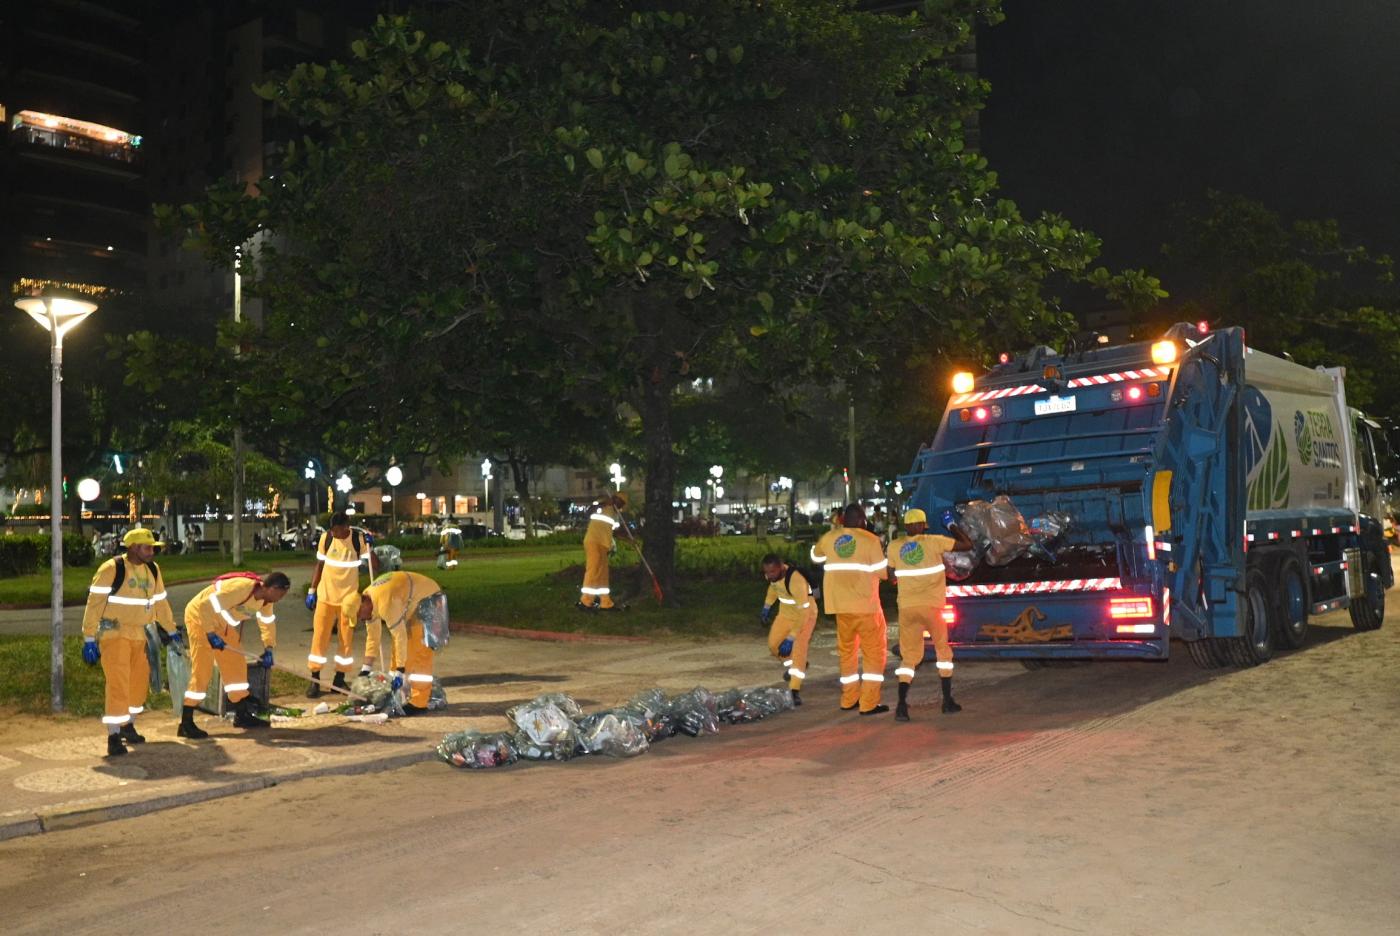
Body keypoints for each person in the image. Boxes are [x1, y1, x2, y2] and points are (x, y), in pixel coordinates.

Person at [80, 528, 179, 757]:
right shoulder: (111, 568)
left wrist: (172, 630)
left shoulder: (153, 570)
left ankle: (127, 725)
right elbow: (94, 604)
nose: (152, 551)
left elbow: (161, 603)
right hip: (114, 635)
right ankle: (113, 736)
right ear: (133, 547)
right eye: (147, 547)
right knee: (118, 684)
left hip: (140, 635)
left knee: (139, 683)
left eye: (153, 548)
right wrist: (89, 638)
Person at [179, 571, 291, 738]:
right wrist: (210, 634)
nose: (280, 599)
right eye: (281, 594)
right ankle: (186, 723)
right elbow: (204, 606)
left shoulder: (266, 601)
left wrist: (268, 648)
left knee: (236, 664)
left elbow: (267, 622)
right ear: (272, 588)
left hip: (220, 624)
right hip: (199, 619)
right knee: (202, 670)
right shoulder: (240, 588)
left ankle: (241, 714)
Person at [887, 508, 974, 721]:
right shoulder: (934, 541)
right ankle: (947, 701)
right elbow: (967, 545)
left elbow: (891, 577)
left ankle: (901, 706)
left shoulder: (894, 546)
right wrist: (951, 524)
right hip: (933, 607)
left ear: (906, 526)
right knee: (943, 652)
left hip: (907, 608)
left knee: (909, 657)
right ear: (923, 525)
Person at [811, 503, 889, 714]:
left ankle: (849, 699)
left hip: (840, 607)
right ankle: (868, 703)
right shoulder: (870, 540)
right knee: (874, 654)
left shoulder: (830, 537)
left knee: (847, 653)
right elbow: (883, 573)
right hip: (866, 607)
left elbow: (815, 557)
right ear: (862, 520)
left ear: (843, 520)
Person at [343, 571, 444, 715]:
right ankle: (400, 696)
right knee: (400, 653)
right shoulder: (368, 599)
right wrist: (366, 668)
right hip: (410, 599)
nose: (361, 619)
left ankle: (419, 702)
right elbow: (373, 637)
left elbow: (400, 636)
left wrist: (400, 670)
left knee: (419, 651)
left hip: (428, 598)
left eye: (359, 615)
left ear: (362, 605)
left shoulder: (386, 603)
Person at [304, 511, 377, 697]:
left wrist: (371, 547)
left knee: (346, 641)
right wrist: (312, 590)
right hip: (325, 597)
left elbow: (374, 566)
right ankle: (315, 680)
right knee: (319, 638)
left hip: (348, 601)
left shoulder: (358, 540)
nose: (334, 533)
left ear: (346, 527)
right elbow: (319, 565)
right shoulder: (326, 539)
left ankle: (339, 680)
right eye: (332, 530)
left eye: (337, 530)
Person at [759, 553, 818, 706]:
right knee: (773, 645)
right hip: (785, 615)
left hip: (805, 616)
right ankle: (795, 666)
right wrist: (766, 606)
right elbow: (774, 589)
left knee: (798, 650)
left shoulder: (796, 580)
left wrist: (791, 637)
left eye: (772, 572)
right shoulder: (772, 575)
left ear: (781, 568)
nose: (769, 575)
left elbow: (804, 613)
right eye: (766, 572)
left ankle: (794, 690)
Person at [578, 493, 626, 611]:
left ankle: (605, 602)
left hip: (604, 545)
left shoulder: (615, 515)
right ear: (615, 499)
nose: (620, 505)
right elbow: (589, 511)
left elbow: (616, 532)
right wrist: (603, 503)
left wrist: (630, 540)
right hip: (593, 541)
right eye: (619, 501)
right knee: (593, 570)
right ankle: (585, 601)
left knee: (603, 574)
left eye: (622, 504)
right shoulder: (602, 506)